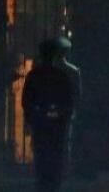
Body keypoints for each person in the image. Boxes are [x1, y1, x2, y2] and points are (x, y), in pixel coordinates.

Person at [23, 39, 76, 192]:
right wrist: (62, 116)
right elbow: (68, 102)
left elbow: (26, 101)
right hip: (56, 124)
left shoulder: (34, 76)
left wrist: (33, 117)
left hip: (41, 123)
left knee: (41, 157)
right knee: (55, 158)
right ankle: (52, 185)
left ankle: (43, 184)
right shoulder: (61, 77)